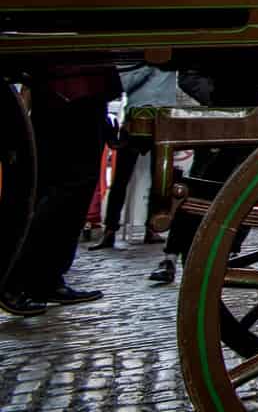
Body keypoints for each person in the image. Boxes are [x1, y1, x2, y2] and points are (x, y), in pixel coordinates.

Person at [2, 63, 118, 316]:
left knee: (68, 194)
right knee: (63, 194)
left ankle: (45, 278)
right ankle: (14, 279)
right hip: (71, 90)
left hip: (75, 90)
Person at [93, 61, 181, 250]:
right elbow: (123, 86)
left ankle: (153, 227)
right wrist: (146, 67)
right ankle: (110, 230)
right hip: (135, 117)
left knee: (160, 179)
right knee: (121, 179)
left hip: (162, 117)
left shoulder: (171, 60)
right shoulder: (134, 61)